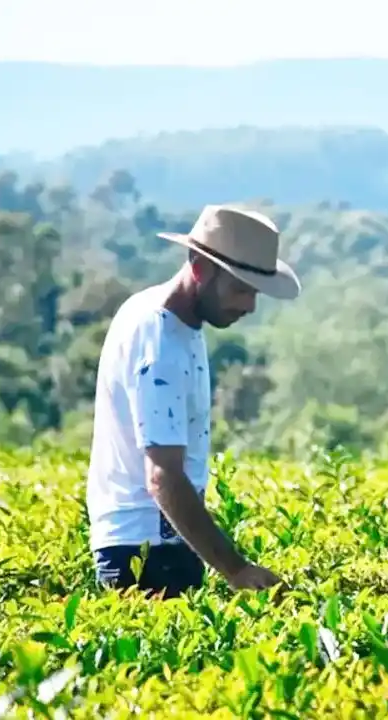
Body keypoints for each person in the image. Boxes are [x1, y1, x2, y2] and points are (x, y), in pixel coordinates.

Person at [86, 204, 302, 599]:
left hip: (159, 545)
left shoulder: (169, 320)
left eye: (253, 292)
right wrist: (235, 569)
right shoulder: (159, 340)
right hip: (147, 553)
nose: (249, 305)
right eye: (239, 288)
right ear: (200, 267)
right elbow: (163, 476)